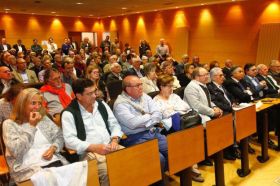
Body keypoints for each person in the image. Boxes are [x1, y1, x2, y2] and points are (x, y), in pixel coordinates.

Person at [62, 78, 123, 186]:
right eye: (89, 94)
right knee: (110, 171)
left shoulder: (101, 104)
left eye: (95, 91)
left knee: (132, 160)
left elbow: (114, 124)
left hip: (111, 145)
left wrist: (114, 139)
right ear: (78, 96)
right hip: (89, 152)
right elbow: (69, 141)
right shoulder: (69, 113)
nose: (95, 96)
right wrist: (94, 147)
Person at [113, 75, 171, 185]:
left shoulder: (144, 96)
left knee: (172, 150)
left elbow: (158, 113)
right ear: (128, 89)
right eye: (137, 85)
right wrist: (151, 118)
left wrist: (146, 121)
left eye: (141, 84)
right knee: (159, 159)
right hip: (134, 137)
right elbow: (133, 124)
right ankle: (157, 181)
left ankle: (160, 176)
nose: (141, 87)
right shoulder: (120, 104)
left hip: (152, 131)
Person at [3, 88, 67, 183]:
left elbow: (60, 136)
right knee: (49, 178)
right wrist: (31, 127)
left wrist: (53, 148)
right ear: (22, 104)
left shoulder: (43, 119)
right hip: (27, 168)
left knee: (76, 173)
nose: (37, 107)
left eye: (39, 103)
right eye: (33, 103)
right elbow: (16, 151)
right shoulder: (9, 124)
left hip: (53, 162)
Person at [153, 74, 204, 182]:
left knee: (191, 134)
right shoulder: (156, 100)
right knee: (184, 136)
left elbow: (185, 107)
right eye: (169, 86)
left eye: (172, 86)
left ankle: (190, 165)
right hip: (167, 128)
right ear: (161, 87)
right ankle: (189, 167)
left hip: (181, 124)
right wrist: (174, 111)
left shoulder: (174, 96)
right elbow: (161, 117)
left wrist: (172, 110)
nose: (172, 89)